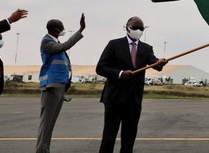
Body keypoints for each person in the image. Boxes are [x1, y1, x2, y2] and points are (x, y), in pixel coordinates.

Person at [96, 16, 167, 153]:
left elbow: (154, 64)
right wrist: (121, 73)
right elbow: (101, 68)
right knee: (109, 136)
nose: (138, 30)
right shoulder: (114, 45)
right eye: (135, 28)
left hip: (133, 100)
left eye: (141, 28)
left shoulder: (146, 48)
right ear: (127, 28)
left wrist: (160, 62)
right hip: (114, 98)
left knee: (129, 137)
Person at [36, 14, 86, 153]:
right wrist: (80, 30)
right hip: (51, 86)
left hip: (59, 86)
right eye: (61, 27)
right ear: (54, 30)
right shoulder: (47, 41)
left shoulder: (55, 42)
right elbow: (66, 46)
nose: (63, 29)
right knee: (46, 123)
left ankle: (45, 149)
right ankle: (41, 151)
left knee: (50, 123)